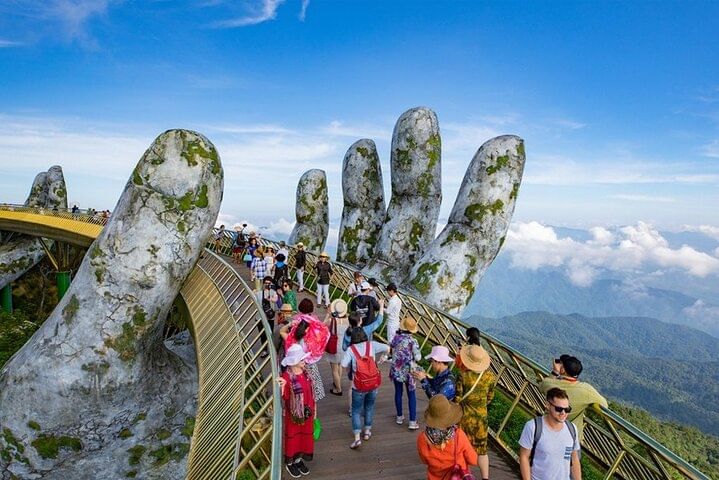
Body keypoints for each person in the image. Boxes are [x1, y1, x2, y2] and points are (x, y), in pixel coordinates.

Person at [539, 354, 608, 440]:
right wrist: (588, 404)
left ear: (562, 369)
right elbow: (604, 405)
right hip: (571, 437)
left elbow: (541, 386)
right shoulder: (586, 389)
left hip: (547, 431)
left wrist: (555, 371)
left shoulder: (549, 384)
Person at [341, 327, 389, 449]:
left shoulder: (351, 349)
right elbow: (387, 348)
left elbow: (343, 364)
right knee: (369, 407)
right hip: (373, 384)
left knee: (356, 411)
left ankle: (357, 438)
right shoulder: (372, 345)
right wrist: (384, 357)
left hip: (358, 385)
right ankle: (367, 432)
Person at [519, 387, 581, 480]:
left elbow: (574, 459)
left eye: (567, 409)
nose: (563, 413)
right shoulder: (533, 427)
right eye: (559, 409)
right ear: (548, 405)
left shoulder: (572, 429)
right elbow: (524, 457)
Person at [456, 344, 496, 480]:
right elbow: (490, 397)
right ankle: (485, 477)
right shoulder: (490, 376)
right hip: (481, 419)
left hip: (465, 418)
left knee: (462, 449)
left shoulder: (463, 375)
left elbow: (457, 399)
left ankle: (465, 475)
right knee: (482, 451)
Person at [417, 394, 478, 480]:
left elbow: (424, 460)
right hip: (457, 476)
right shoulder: (458, 435)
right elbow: (473, 460)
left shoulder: (422, 438)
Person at [277, 344, 315, 478]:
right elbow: (285, 396)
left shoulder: (306, 372)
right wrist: (282, 386)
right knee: (293, 437)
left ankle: (298, 459)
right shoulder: (287, 377)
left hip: (307, 413)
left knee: (304, 437)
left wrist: (314, 410)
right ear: (294, 361)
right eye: (302, 359)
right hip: (294, 416)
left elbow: (312, 393)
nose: (305, 361)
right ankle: (290, 462)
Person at [389, 317, 422, 430]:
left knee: (398, 393)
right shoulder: (413, 341)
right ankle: (412, 421)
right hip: (409, 372)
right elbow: (418, 357)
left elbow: (391, 346)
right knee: (411, 395)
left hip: (397, 369)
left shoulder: (396, 338)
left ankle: (399, 417)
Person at [323, 298, 350, 396]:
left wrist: (328, 314)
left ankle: (338, 389)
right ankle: (337, 382)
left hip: (334, 346)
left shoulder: (331, 320)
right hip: (344, 346)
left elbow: (322, 325)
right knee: (339, 365)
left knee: (334, 369)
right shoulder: (348, 320)